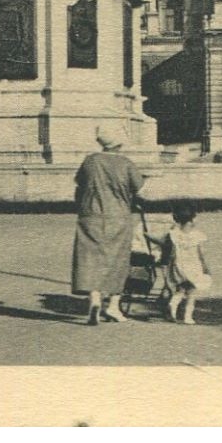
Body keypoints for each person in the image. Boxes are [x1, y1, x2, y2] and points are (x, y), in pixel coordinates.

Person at [71, 127, 146, 325]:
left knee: (90, 259)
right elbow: (141, 190)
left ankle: (95, 300)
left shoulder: (90, 161)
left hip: (91, 215)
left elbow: (79, 185)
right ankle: (113, 306)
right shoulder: (126, 164)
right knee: (118, 261)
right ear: (119, 144)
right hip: (118, 217)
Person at [151, 204, 212, 325]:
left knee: (180, 289)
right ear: (193, 219)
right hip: (193, 265)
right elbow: (201, 254)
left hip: (179, 265)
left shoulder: (174, 234)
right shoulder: (197, 235)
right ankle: (188, 317)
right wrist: (206, 268)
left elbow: (168, 249)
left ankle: (172, 306)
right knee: (192, 291)